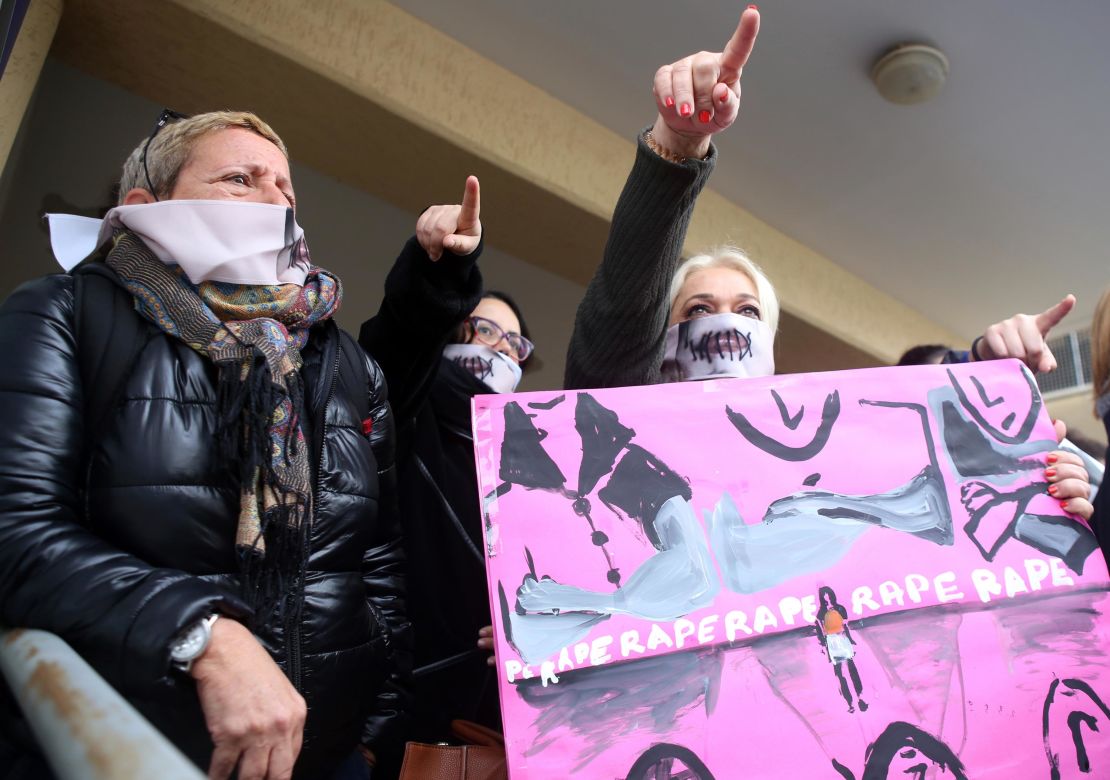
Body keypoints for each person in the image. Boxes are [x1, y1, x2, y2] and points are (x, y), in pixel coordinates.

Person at [0, 111, 411, 780]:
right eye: (239, 178)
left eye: (284, 187)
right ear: (144, 208)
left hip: (330, 757)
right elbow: (15, 529)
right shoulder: (64, 315)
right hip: (127, 749)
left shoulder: (344, 363)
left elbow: (381, 558)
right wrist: (202, 635)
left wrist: (375, 730)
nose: (276, 199)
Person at [563, 5, 1093, 521]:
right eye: (699, 308)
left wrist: (987, 375)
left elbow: (909, 448)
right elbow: (626, 307)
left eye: (748, 313)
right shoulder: (618, 426)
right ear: (660, 334)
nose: (726, 323)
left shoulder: (821, 462)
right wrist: (676, 147)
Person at [359, 182, 534, 742]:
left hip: (489, 720)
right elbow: (398, 353)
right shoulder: (405, 412)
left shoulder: (534, 463)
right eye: (484, 328)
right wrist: (439, 275)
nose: (501, 348)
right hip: (389, 702)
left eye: (514, 342)